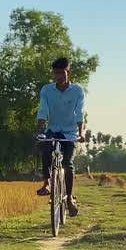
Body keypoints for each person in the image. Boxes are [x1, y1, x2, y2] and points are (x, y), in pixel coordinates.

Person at [36, 57, 85, 216]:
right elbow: (43, 111)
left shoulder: (77, 91)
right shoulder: (47, 90)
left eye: (61, 73)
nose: (58, 76)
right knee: (45, 147)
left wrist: (81, 133)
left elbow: (79, 113)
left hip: (70, 133)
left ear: (68, 72)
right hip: (53, 129)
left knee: (67, 163)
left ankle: (69, 198)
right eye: (56, 73)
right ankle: (47, 183)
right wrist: (40, 130)